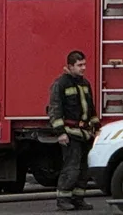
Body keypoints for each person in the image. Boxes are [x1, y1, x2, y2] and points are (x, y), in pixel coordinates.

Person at [47, 50, 100, 211]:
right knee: (71, 167)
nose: (83, 68)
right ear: (70, 66)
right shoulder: (61, 84)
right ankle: (63, 199)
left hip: (85, 134)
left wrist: (96, 127)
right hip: (70, 133)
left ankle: (78, 198)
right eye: (79, 65)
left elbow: (90, 108)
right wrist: (60, 132)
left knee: (83, 169)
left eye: (84, 64)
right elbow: (55, 110)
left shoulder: (84, 83)